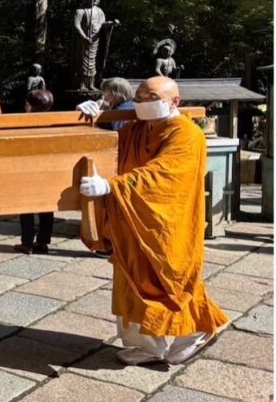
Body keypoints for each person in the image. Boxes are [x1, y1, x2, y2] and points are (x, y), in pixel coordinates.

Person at [80, 76, 228, 366]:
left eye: (151, 98)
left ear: (174, 102)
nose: (143, 103)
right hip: (132, 219)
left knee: (170, 280)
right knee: (130, 279)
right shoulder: (136, 128)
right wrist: (88, 122)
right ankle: (146, 345)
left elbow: (163, 174)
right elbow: (105, 147)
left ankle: (197, 328)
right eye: (139, 97)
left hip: (168, 223)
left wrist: (112, 187)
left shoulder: (187, 134)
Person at [14, 89, 55, 255]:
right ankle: (43, 242)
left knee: (26, 207)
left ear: (29, 105)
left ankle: (27, 242)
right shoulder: (55, 122)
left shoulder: (23, 123)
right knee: (47, 207)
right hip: (49, 170)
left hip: (28, 170)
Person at [73, 0, 119, 91]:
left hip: (95, 40)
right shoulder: (80, 11)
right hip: (83, 41)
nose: (93, 0)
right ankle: (81, 84)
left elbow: (102, 24)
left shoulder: (99, 11)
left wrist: (112, 23)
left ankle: (91, 84)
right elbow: (76, 25)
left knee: (93, 64)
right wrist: (83, 36)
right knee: (82, 63)